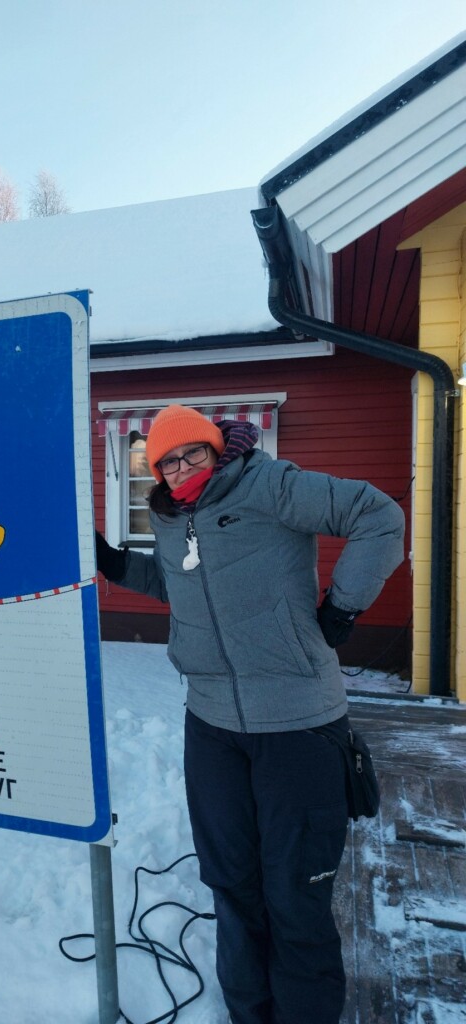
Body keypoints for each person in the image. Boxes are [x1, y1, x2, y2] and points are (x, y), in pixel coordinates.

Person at [95, 404, 405, 1024]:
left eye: (193, 453)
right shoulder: (170, 514)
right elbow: (177, 582)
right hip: (211, 729)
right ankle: (248, 1012)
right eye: (167, 461)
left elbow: (379, 516)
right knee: (232, 885)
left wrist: (342, 607)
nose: (182, 467)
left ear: (217, 448)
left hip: (299, 726)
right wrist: (113, 563)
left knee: (296, 895)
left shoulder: (270, 484)